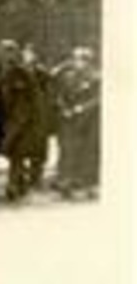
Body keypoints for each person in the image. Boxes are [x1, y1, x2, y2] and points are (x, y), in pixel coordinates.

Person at [0, 39, 42, 202]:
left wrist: (34, 120)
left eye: (10, 50)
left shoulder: (23, 73)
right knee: (10, 152)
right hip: (1, 119)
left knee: (16, 152)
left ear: (16, 53)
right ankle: (21, 177)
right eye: (4, 50)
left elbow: (34, 98)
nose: (7, 54)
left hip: (21, 120)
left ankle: (12, 184)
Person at [53, 46, 101, 198]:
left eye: (81, 59)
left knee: (88, 152)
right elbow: (59, 95)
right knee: (68, 149)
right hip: (69, 119)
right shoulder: (68, 76)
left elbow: (98, 99)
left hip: (89, 121)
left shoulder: (96, 77)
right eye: (75, 58)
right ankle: (67, 181)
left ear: (89, 61)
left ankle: (88, 184)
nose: (77, 62)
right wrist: (63, 108)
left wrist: (82, 108)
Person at [22, 43, 53, 190]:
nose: (29, 56)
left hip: (40, 114)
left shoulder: (43, 73)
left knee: (39, 146)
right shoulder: (20, 71)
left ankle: (36, 174)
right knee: (24, 145)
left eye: (32, 53)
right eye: (27, 53)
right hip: (24, 115)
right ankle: (23, 174)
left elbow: (48, 93)